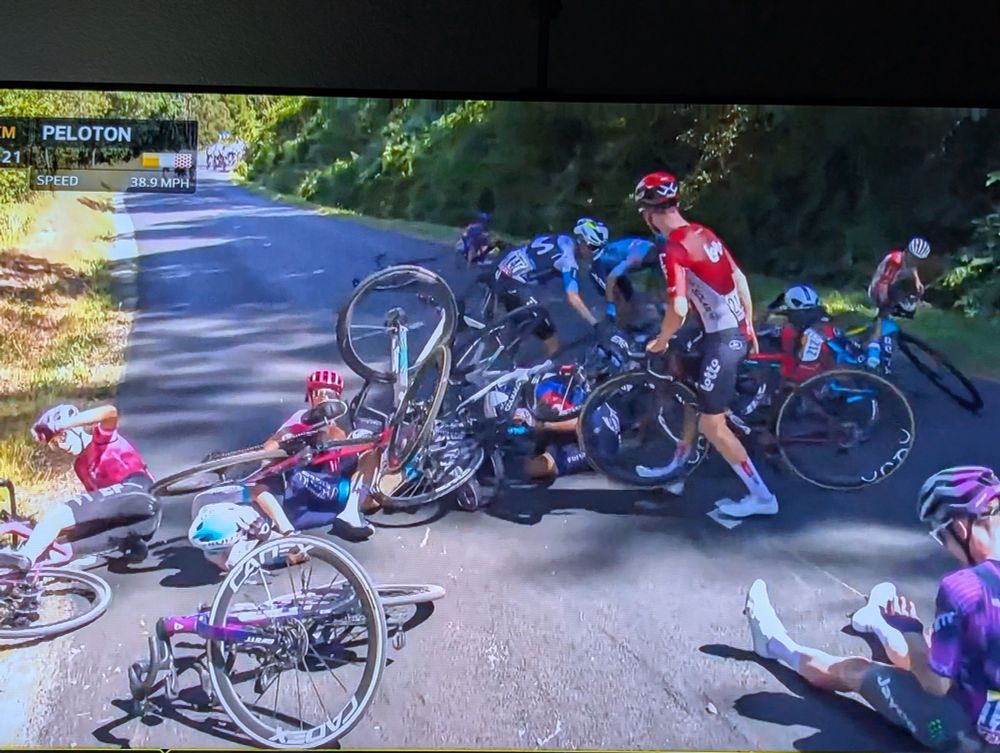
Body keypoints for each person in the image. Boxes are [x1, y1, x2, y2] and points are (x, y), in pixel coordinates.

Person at [742, 465, 1000, 752]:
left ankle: (775, 645)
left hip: (965, 735)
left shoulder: (965, 588)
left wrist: (910, 630)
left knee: (857, 670)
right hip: (985, 699)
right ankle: (878, 624)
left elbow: (935, 685)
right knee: (941, 649)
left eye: (943, 537)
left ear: (961, 528)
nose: (946, 547)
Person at [631, 171, 778, 518]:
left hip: (723, 339)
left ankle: (762, 497)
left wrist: (661, 340)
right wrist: (749, 323)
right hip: (727, 331)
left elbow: (679, 309)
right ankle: (678, 471)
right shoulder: (703, 232)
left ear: (648, 214)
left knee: (712, 425)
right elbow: (738, 277)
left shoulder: (674, 248)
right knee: (688, 391)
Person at [187, 368, 377, 569]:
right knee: (265, 485)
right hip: (304, 489)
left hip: (311, 484)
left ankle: (331, 517)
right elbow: (272, 446)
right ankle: (298, 531)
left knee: (262, 486)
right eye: (318, 393)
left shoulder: (340, 420)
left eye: (328, 393)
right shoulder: (301, 418)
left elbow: (338, 438)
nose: (322, 397)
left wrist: (317, 433)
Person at [0, 403, 159, 571]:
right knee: (61, 549)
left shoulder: (102, 439)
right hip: (135, 524)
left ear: (77, 428)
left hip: (139, 493)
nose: (61, 446)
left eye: (63, 437)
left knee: (59, 514)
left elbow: (110, 412)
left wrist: (64, 423)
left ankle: (25, 557)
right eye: (54, 443)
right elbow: (95, 511)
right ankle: (15, 575)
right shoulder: (80, 466)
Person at [492, 218, 610, 355]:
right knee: (551, 339)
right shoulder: (568, 260)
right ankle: (540, 369)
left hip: (504, 267)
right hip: (515, 282)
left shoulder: (563, 239)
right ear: (581, 241)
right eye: (593, 247)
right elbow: (573, 297)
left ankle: (490, 345)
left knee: (522, 317)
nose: (595, 252)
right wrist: (595, 323)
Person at [866, 237, 930, 369]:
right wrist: (884, 304)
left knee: (907, 303)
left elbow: (912, 267)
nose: (915, 261)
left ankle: (885, 323)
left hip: (893, 285)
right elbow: (883, 283)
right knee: (883, 314)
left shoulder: (909, 260)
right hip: (879, 286)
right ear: (907, 252)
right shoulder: (895, 261)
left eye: (918, 260)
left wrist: (917, 280)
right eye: (914, 258)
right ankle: (874, 347)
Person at [589, 236, 660, 328]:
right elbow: (611, 278)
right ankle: (612, 326)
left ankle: (630, 324)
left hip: (616, 266)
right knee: (618, 299)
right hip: (600, 269)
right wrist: (611, 305)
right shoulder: (634, 258)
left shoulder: (650, 250)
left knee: (630, 297)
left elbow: (655, 284)